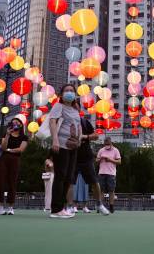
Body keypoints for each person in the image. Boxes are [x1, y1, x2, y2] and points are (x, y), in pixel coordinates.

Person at [49, 84, 83, 219]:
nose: (69, 93)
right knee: (60, 176)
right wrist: (55, 140)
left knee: (68, 178)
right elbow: (52, 122)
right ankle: (56, 209)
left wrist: (79, 139)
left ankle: (61, 207)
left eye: (72, 91)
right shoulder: (59, 106)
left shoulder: (75, 109)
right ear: (61, 94)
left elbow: (78, 125)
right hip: (61, 145)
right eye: (66, 91)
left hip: (73, 147)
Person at [65, 113, 110, 215]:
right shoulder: (65, 122)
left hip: (86, 157)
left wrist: (84, 136)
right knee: (69, 182)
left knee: (94, 182)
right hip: (72, 157)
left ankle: (99, 204)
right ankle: (70, 206)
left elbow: (96, 136)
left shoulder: (84, 122)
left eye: (76, 108)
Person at [0, 116, 27, 215]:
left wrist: (9, 150)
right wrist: (8, 135)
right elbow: (3, 147)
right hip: (4, 159)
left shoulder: (24, 137)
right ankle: (0, 207)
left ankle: (11, 207)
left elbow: (21, 149)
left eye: (17, 122)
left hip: (15, 160)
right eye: (13, 122)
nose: (15, 124)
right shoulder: (6, 134)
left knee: (13, 182)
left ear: (21, 125)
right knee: (1, 181)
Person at [96, 136, 121, 213]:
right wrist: (101, 159)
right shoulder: (101, 150)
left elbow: (119, 162)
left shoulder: (115, 150)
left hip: (111, 173)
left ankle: (111, 206)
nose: (106, 144)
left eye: (108, 143)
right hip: (101, 173)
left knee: (111, 190)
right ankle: (100, 207)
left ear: (110, 142)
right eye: (105, 143)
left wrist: (110, 160)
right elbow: (96, 160)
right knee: (101, 191)